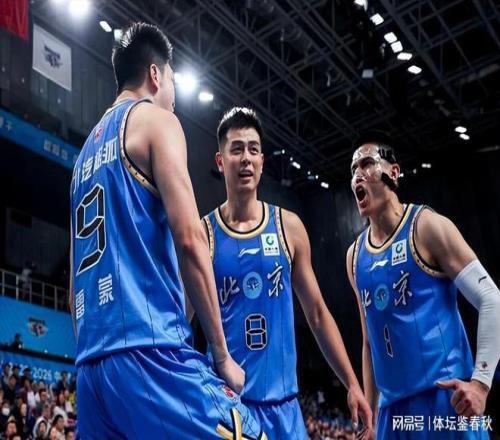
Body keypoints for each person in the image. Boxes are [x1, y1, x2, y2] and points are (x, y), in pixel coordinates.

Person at [69, 22, 265, 439]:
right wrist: (221, 353)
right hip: (150, 353)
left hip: (90, 371)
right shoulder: (156, 121)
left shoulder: (81, 161)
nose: (173, 95)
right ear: (156, 75)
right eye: (173, 80)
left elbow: (73, 291)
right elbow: (191, 239)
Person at [198, 107, 372, 439]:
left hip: (286, 411)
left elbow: (317, 314)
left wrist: (351, 382)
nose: (246, 159)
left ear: (263, 161)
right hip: (228, 411)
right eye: (236, 149)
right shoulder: (202, 235)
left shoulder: (288, 227)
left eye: (253, 149)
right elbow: (180, 320)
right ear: (220, 161)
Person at [346, 131, 500, 438]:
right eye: (353, 170)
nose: (357, 175)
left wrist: (481, 383)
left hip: (444, 401)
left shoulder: (426, 226)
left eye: (366, 164)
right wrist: (372, 416)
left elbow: (490, 297)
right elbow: (369, 343)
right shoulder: (354, 256)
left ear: (393, 172)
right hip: (392, 414)